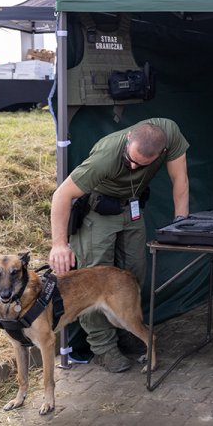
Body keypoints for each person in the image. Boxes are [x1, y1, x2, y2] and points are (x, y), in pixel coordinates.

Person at [48, 118, 189, 373]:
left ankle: (128, 331)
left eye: (142, 165)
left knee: (133, 274)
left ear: (161, 152)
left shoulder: (170, 134)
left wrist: (180, 224)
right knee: (93, 281)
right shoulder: (106, 155)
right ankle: (104, 348)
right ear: (128, 141)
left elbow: (180, 179)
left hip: (131, 207)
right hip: (98, 211)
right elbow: (62, 195)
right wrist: (59, 244)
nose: (134, 166)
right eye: (131, 160)